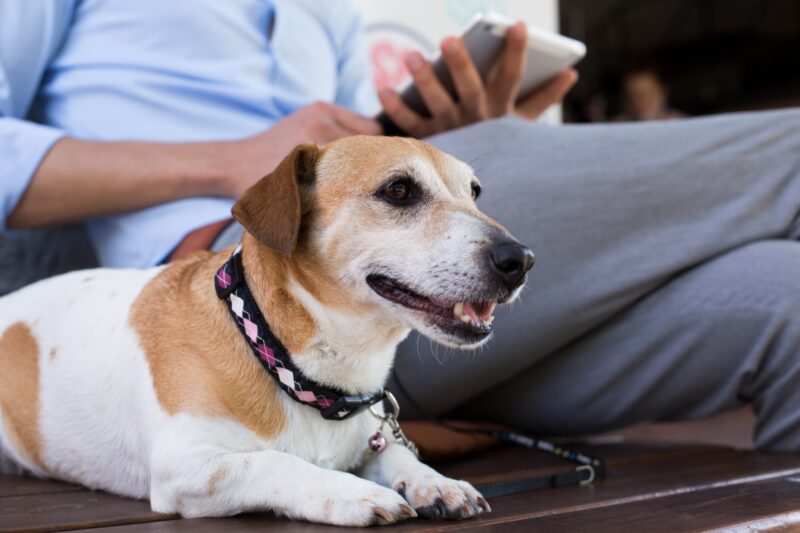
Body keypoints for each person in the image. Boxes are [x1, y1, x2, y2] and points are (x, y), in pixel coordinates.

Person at [2, 1, 799, 452]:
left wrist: (455, 143)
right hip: (245, 323)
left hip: (410, 337)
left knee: (786, 304)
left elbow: (378, 182)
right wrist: (238, 161)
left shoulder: (328, 16)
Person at [616, 67, 686, 121]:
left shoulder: (682, 123)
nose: (637, 101)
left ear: (663, 92)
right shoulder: (616, 126)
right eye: (632, 95)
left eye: (646, 94)